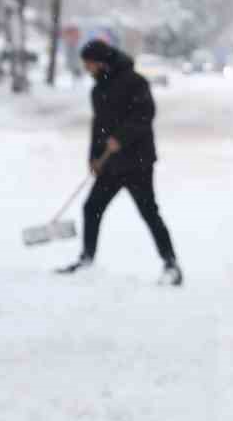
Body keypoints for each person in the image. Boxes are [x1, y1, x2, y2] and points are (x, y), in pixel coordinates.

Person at [57, 40, 183, 285]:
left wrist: (121, 138)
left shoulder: (135, 82)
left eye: (89, 64)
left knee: (149, 212)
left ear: (101, 62)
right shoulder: (98, 89)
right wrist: (93, 158)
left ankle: (171, 265)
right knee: (92, 207)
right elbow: (98, 126)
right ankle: (87, 259)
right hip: (110, 165)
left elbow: (145, 115)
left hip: (137, 163)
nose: (87, 69)